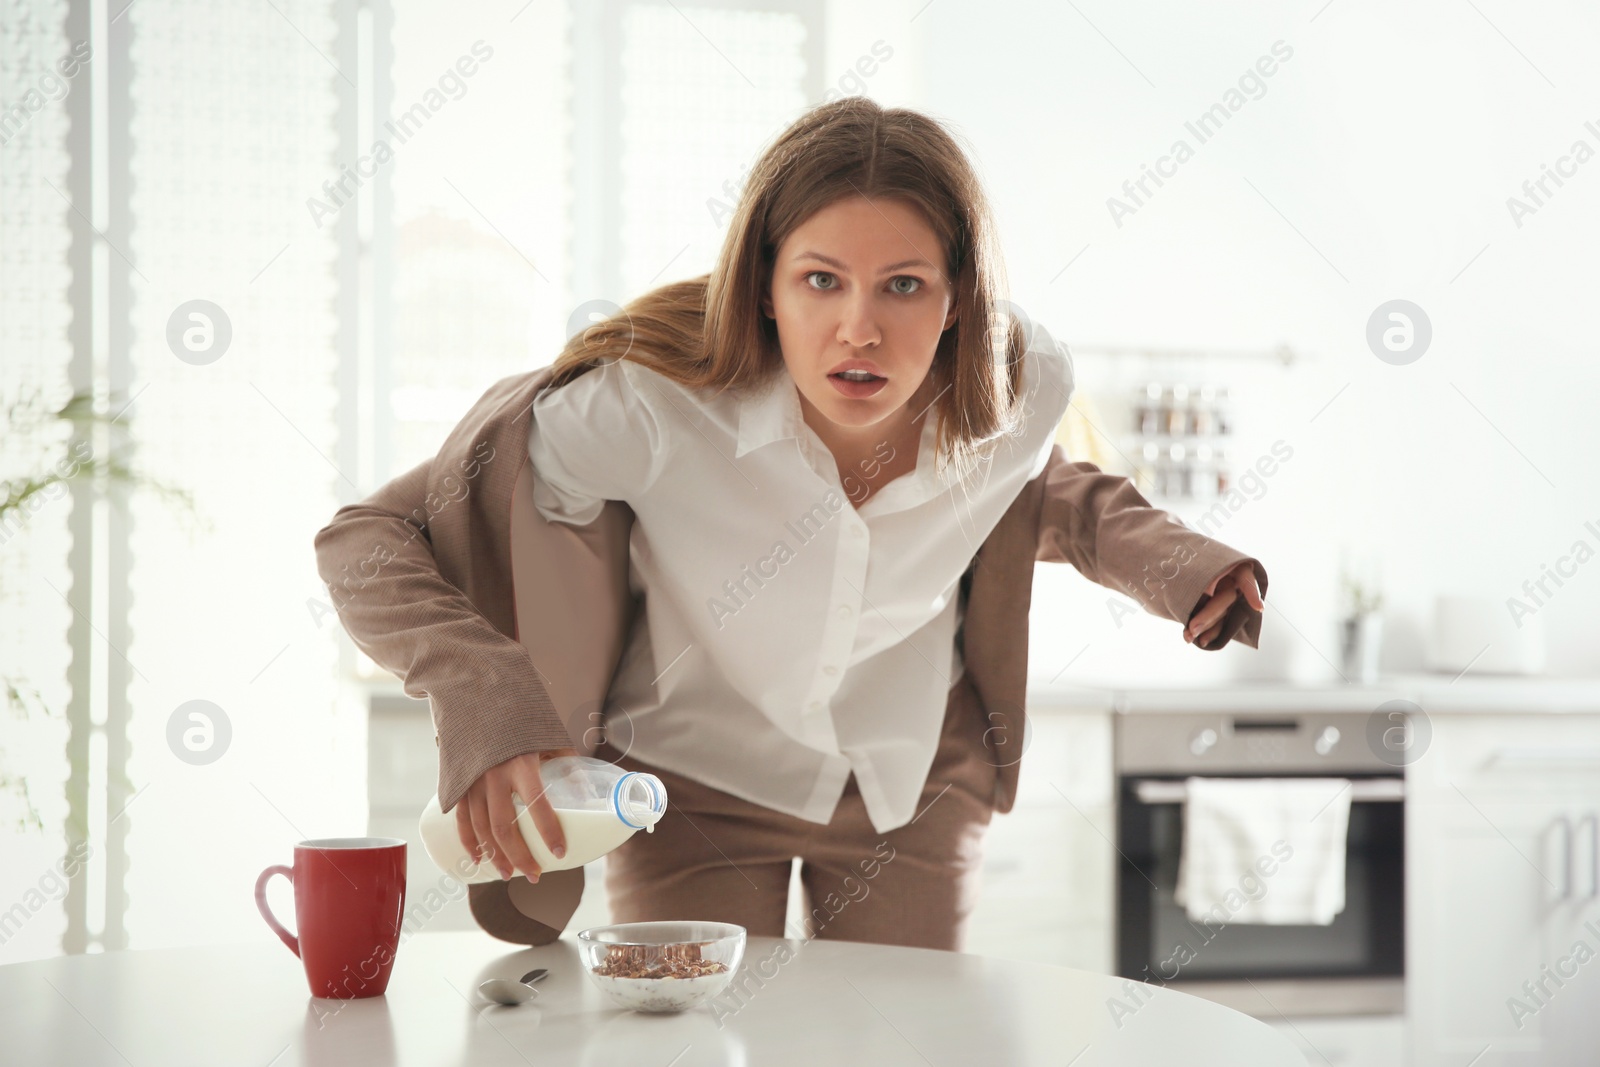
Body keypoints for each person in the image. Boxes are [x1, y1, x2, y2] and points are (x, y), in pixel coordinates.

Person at [315, 96, 1267, 951]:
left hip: (910, 785)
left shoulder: (1025, 386)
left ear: (958, 302)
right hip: (690, 782)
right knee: (687, 1047)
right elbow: (364, 537)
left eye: (904, 284)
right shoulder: (647, 409)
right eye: (821, 280)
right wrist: (485, 690)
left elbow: (1038, 491)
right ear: (764, 286)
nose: (860, 328)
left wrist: (1183, 563)